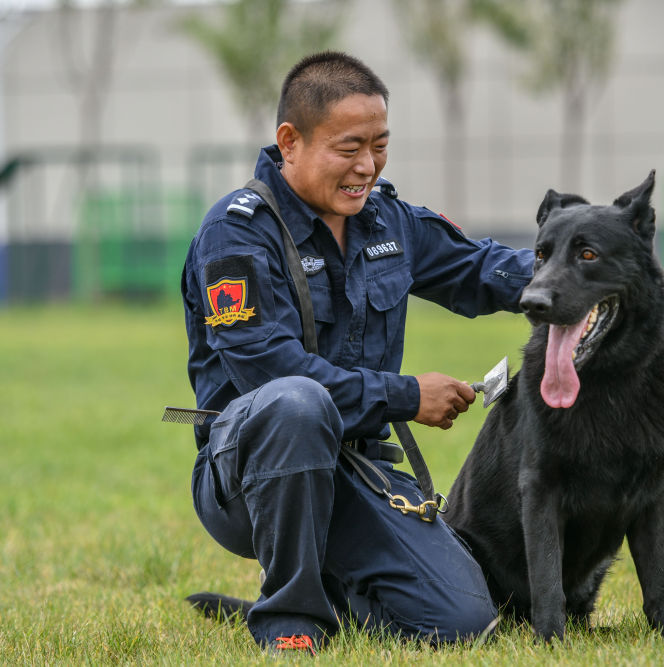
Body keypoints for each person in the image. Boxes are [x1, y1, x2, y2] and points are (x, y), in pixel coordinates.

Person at [180, 51, 534, 654]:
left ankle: (337, 594)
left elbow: (481, 269)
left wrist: (575, 269)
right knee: (296, 402)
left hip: (358, 467)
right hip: (248, 473)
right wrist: (407, 396)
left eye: (380, 145)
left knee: (463, 624)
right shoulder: (236, 235)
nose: (367, 166)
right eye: (349, 148)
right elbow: (271, 368)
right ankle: (290, 621)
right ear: (289, 141)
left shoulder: (388, 222)